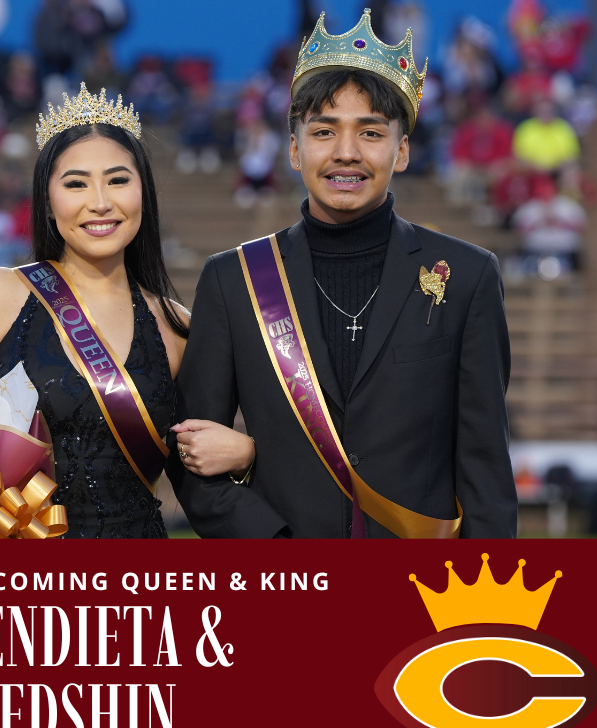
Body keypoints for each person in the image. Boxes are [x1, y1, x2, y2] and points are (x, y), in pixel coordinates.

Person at [169, 9, 517, 538]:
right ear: (294, 149)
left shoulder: (467, 277)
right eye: (324, 131)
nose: (346, 153)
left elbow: (485, 465)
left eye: (371, 132)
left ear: (401, 151)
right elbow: (192, 452)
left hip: (425, 595)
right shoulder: (233, 281)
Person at [0, 83, 254, 539]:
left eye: (118, 180)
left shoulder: (178, 327)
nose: (100, 202)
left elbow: (205, 480)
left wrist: (247, 454)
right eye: (76, 183)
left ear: (145, 191)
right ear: (46, 197)